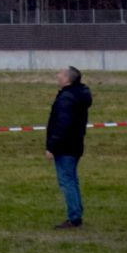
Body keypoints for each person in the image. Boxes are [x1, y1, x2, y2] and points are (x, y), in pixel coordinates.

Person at [45, 65, 93, 228]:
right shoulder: (78, 95)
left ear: (67, 79)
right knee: (72, 180)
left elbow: (62, 124)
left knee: (67, 181)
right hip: (75, 143)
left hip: (65, 146)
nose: (57, 76)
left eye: (60, 74)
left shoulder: (67, 98)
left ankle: (74, 217)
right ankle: (76, 214)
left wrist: (52, 146)